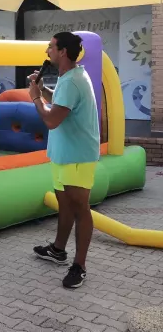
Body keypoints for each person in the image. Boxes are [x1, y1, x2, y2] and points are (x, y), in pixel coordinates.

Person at [30, 32, 100, 289]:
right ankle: (58, 250)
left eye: (51, 47)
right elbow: (61, 104)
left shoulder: (72, 81)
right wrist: (42, 90)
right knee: (65, 203)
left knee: (80, 208)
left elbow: (51, 120)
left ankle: (79, 266)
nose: (47, 51)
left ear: (62, 52)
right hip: (63, 154)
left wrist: (35, 97)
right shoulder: (68, 76)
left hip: (77, 156)